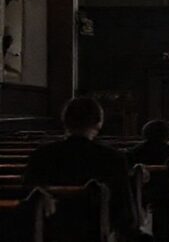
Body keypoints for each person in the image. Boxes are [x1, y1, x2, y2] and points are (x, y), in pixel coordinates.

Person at [23, 97, 142, 239]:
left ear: (65, 121)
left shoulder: (40, 155)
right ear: (99, 122)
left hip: (48, 231)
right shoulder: (112, 158)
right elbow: (125, 213)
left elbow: (28, 197)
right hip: (93, 231)